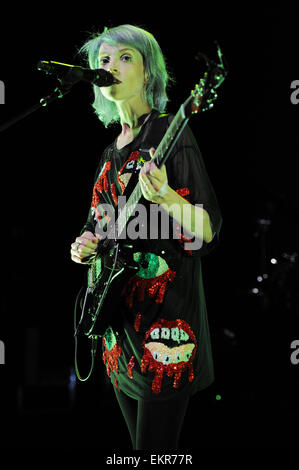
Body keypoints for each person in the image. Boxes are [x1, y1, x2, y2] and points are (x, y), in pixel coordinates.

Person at [70, 24, 222, 450]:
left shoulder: (170, 135)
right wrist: (83, 245)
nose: (110, 67)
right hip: (117, 330)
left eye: (125, 58)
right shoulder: (109, 153)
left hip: (165, 331)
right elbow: (97, 223)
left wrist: (167, 195)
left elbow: (207, 229)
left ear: (148, 74)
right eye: (103, 60)